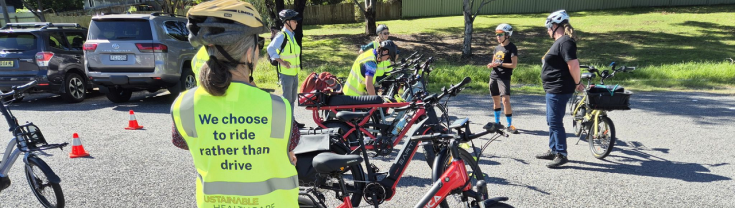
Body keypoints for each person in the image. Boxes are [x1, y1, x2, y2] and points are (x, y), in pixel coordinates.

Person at [170, 0, 300, 207]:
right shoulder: (279, 108)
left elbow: (182, 142)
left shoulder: (183, 106)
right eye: (258, 45)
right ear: (250, 54)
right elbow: (290, 146)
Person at [535, 10, 584, 168]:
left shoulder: (565, 42)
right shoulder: (560, 42)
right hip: (553, 88)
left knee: (555, 121)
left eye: (549, 28)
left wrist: (577, 82)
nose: (548, 31)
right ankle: (553, 149)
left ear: (555, 26)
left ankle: (561, 154)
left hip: (559, 88)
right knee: (551, 120)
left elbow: (574, 64)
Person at [267, 9, 304, 128]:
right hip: (286, 74)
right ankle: (284, 124)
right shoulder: (281, 36)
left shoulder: (291, 36)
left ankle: (291, 122)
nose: (296, 23)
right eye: (294, 21)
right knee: (287, 100)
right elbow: (270, 49)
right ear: (287, 22)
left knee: (292, 99)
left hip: (294, 73)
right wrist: (281, 62)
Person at [486, 23, 519, 134]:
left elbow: (513, 65)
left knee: (505, 100)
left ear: (507, 35)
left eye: (500, 34)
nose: (498, 36)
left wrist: (499, 64)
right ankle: (497, 123)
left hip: (504, 77)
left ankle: (509, 125)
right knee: (496, 101)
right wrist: (491, 65)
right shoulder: (497, 48)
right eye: (497, 34)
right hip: (494, 76)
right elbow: (494, 61)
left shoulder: (512, 47)